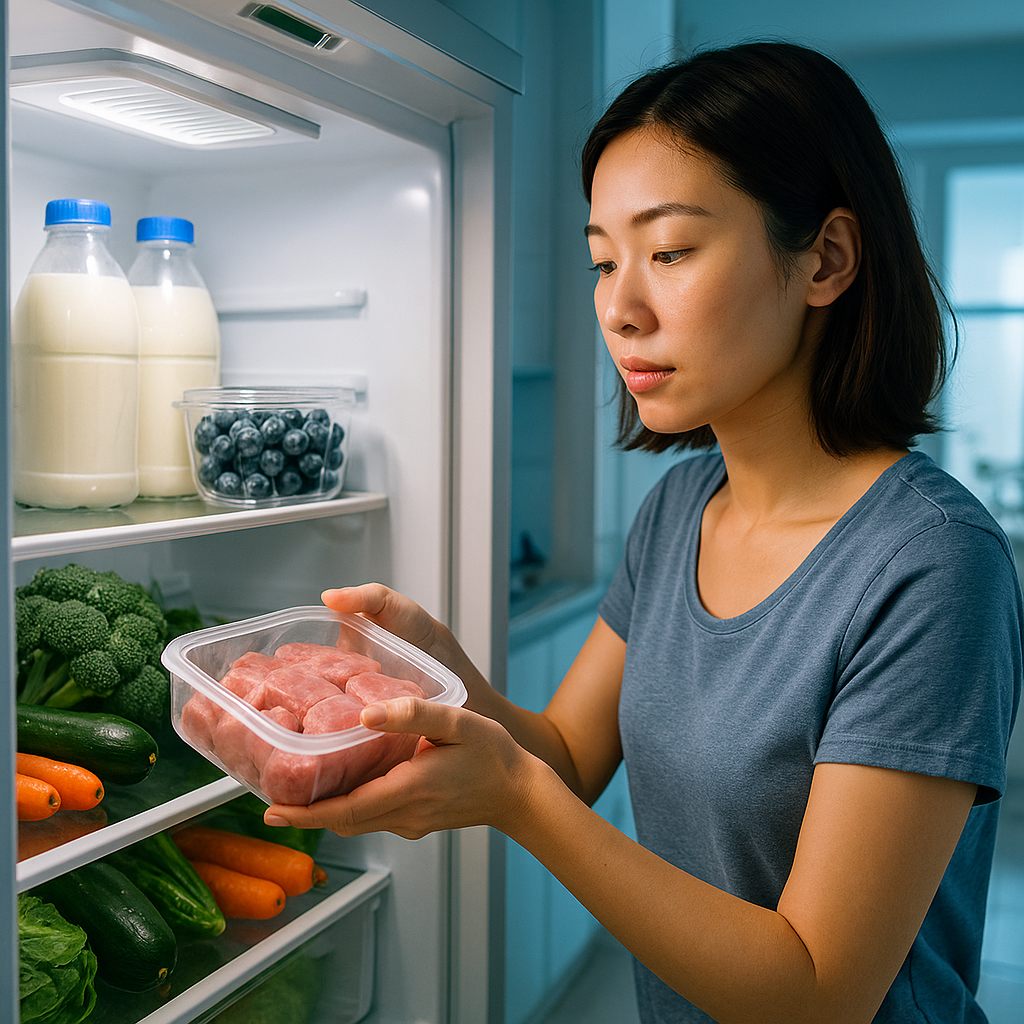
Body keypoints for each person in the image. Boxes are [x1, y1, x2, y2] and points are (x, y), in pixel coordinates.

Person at [265, 41, 1024, 1023]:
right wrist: (446, 680)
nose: (619, 308)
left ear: (825, 259)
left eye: (668, 252)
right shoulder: (677, 510)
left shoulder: (932, 563)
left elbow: (818, 990)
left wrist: (516, 800)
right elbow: (568, 758)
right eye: (601, 260)